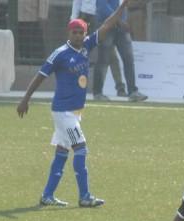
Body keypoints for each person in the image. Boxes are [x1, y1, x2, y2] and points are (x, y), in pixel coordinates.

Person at [17, 7, 127, 208]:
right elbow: (41, 76)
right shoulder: (60, 54)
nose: (78, 35)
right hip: (63, 112)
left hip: (76, 112)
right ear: (69, 33)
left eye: (81, 32)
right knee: (81, 149)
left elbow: (107, 25)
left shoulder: (86, 46)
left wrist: (122, 6)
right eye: (74, 32)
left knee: (62, 152)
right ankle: (85, 197)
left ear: (85, 33)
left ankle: (47, 196)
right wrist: (25, 99)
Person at [92, 0, 148, 102]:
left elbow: (123, 6)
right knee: (103, 61)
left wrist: (124, 21)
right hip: (106, 26)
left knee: (128, 59)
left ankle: (133, 92)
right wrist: (119, 21)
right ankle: (98, 93)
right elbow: (102, 7)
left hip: (121, 27)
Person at [71, 0, 128, 97]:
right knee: (80, 53)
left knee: (110, 53)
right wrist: (73, 19)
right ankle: (74, 86)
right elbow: (77, 2)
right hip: (86, 16)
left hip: (102, 17)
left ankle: (119, 87)